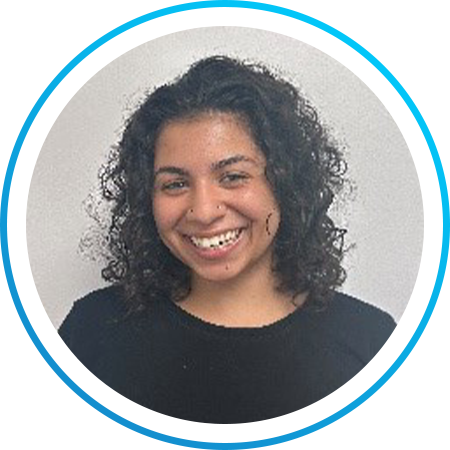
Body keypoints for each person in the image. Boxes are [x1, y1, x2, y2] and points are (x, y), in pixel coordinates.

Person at [26, 56, 424, 425]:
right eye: (175, 183)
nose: (203, 211)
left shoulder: (375, 346)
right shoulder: (93, 328)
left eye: (232, 177)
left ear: (285, 184)